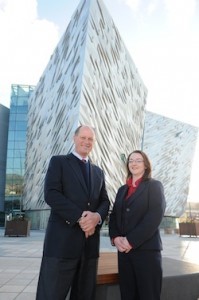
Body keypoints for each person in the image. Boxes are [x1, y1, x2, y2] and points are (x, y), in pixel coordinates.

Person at [36, 125, 110, 300]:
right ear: (74, 138)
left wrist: (96, 217)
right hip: (61, 244)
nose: (86, 142)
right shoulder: (59, 162)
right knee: (51, 295)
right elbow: (51, 194)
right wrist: (81, 217)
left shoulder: (98, 172)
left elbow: (105, 201)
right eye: (83, 137)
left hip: (89, 247)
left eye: (90, 139)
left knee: (84, 295)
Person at [109, 150, 166, 300]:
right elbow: (114, 216)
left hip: (146, 253)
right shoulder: (122, 190)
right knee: (128, 295)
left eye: (138, 160)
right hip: (124, 254)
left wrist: (130, 240)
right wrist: (115, 238)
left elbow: (154, 216)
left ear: (146, 165)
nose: (133, 163)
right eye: (131, 160)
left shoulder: (154, 186)